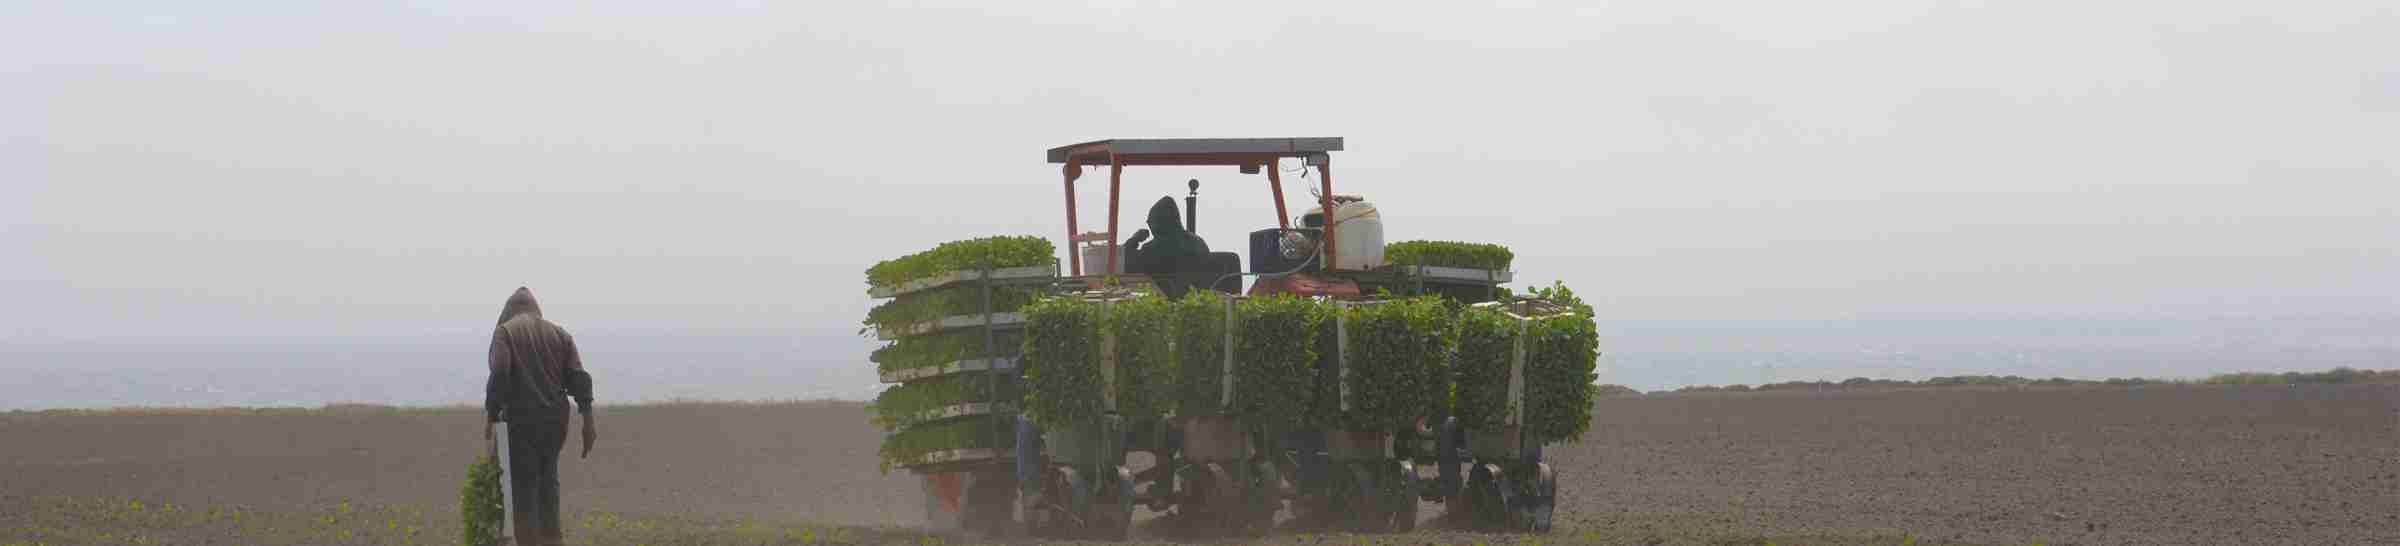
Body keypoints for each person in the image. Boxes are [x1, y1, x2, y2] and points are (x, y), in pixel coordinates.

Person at [484, 287, 596, 546]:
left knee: (522, 491)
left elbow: (500, 371)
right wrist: (588, 420)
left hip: (521, 425)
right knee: (548, 485)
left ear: (509, 311)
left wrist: (491, 414)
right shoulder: (560, 334)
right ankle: (552, 539)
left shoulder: (505, 333)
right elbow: (579, 378)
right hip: (555, 426)